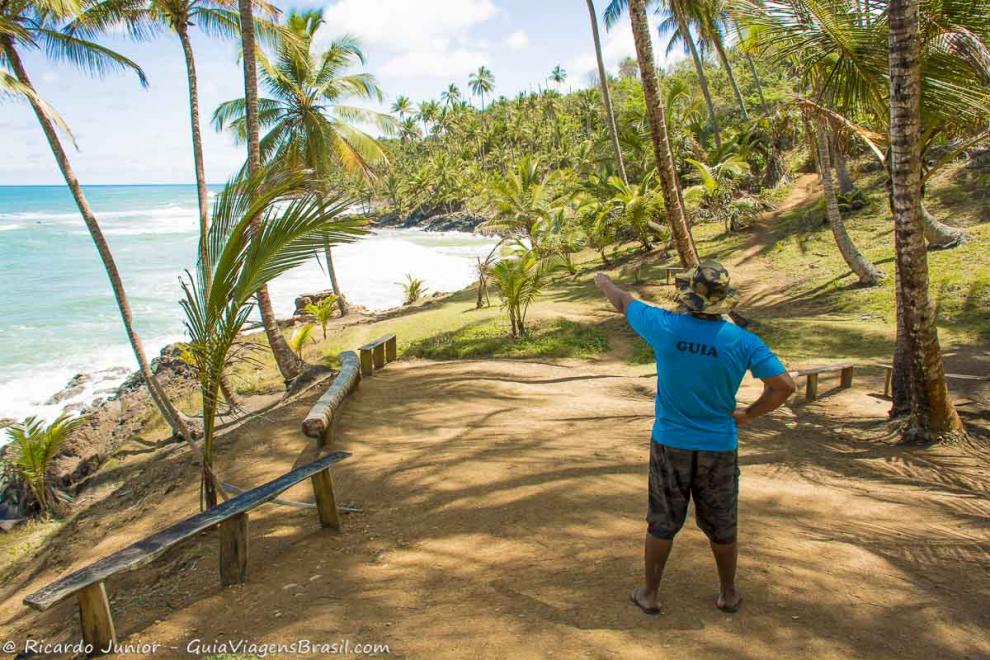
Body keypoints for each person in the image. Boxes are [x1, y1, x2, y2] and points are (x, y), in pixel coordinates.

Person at [594, 260, 796, 615]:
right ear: (724, 300)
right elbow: (783, 386)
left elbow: (623, 301)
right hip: (718, 445)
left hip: (671, 441)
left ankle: (651, 594)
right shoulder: (744, 341)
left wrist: (603, 280)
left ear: (687, 296)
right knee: (722, 522)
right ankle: (727, 594)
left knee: (662, 520)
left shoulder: (665, 326)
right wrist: (749, 414)